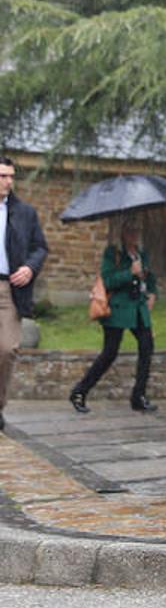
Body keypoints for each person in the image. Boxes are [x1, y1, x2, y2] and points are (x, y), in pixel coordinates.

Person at [69, 217, 157, 413]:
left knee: (147, 347)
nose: (134, 234)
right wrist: (130, 273)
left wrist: (152, 293)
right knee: (109, 353)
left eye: (137, 231)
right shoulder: (113, 253)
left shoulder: (142, 254)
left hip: (138, 309)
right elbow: (107, 280)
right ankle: (79, 391)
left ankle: (138, 396)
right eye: (130, 230)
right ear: (123, 233)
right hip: (117, 310)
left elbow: (150, 277)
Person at [0, 157, 48, 431]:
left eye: (11, 176)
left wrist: (30, 268)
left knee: (6, 350)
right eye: (2, 176)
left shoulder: (24, 212)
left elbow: (40, 247)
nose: (8, 181)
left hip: (9, 289)